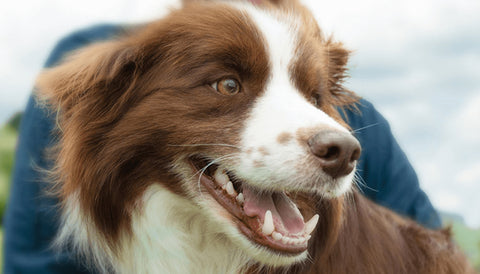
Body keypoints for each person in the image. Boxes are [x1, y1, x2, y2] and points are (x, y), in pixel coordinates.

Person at [2, 24, 442, 274]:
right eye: (228, 84)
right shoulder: (101, 56)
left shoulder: (361, 119)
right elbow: (35, 260)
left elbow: (429, 250)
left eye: (313, 96)